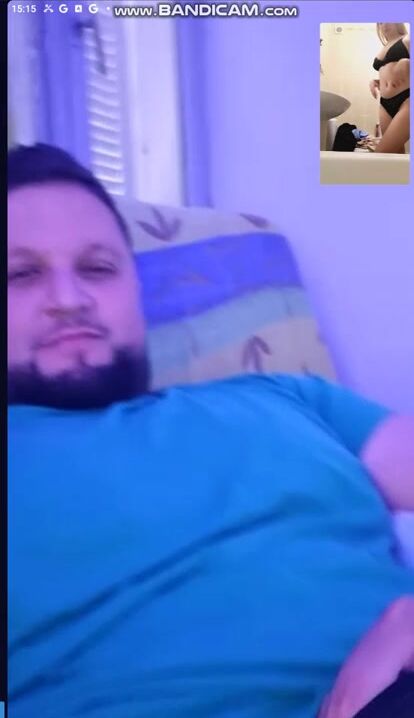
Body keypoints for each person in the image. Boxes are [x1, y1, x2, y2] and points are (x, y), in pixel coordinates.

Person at [7, 144, 414, 718]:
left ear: (136, 290)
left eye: (97, 268)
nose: (69, 300)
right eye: (21, 274)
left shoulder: (285, 397)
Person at [370, 23, 410, 154]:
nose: (385, 24)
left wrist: (408, 64)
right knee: (394, 155)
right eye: (380, 22)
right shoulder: (384, 47)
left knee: (382, 154)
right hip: (385, 104)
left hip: (407, 100)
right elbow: (387, 71)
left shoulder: (408, 39)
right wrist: (376, 81)